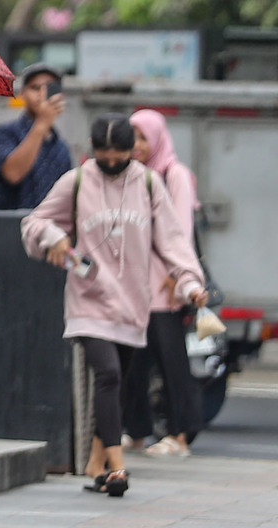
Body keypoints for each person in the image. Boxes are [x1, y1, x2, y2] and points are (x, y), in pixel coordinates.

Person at [21, 113, 208, 497]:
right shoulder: (76, 182)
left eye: (118, 156)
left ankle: (94, 460)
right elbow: (33, 221)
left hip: (132, 304)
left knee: (118, 382)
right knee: (107, 375)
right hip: (88, 299)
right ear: (93, 152)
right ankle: (117, 467)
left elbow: (173, 241)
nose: (110, 163)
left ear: (132, 153)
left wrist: (190, 283)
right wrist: (54, 237)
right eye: (102, 156)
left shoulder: (150, 184)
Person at [121, 108, 204, 457]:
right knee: (133, 363)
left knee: (171, 361)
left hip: (165, 285)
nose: (137, 145)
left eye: (143, 137)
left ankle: (180, 434)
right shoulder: (132, 174)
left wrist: (178, 275)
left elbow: (180, 228)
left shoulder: (174, 173)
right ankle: (137, 430)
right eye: (133, 137)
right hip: (135, 286)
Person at [0, 62, 71, 209]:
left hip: (51, 228)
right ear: (22, 93)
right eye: (35, 88)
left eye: (50, 88)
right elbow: (12, 174)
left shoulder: (61, 147)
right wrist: (41, 124)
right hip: (11, 227)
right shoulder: (5, 133)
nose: (42, 94)